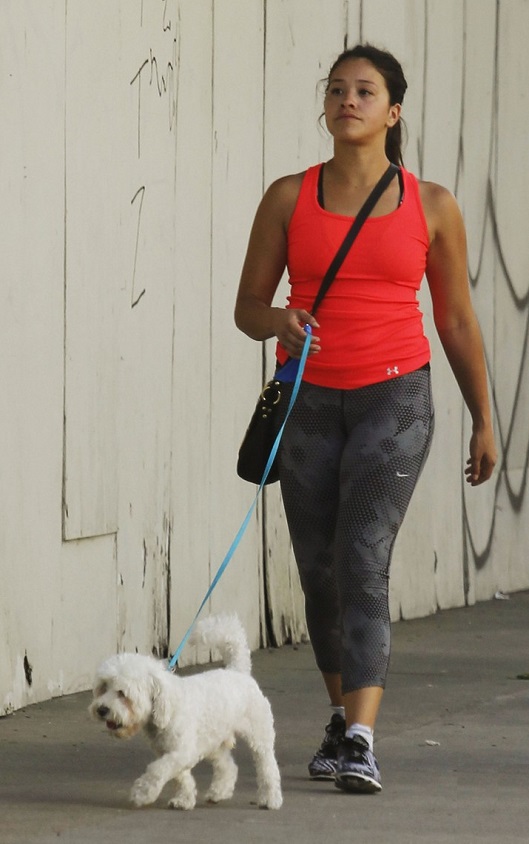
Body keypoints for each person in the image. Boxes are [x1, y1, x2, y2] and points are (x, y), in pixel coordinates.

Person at [234, 44, 496, 794]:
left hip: (395, 398)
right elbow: (246, 308)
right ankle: (336, 715)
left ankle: (359, 736)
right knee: (317, 571)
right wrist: (277, 318)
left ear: (393, 110)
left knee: (360, 557)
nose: (348, 100)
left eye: (365, 90)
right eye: (337, 90)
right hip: (310, 400)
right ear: (326, 106)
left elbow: (452, 318)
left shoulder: (431, 204)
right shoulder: (289, 196)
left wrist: (484, 418)